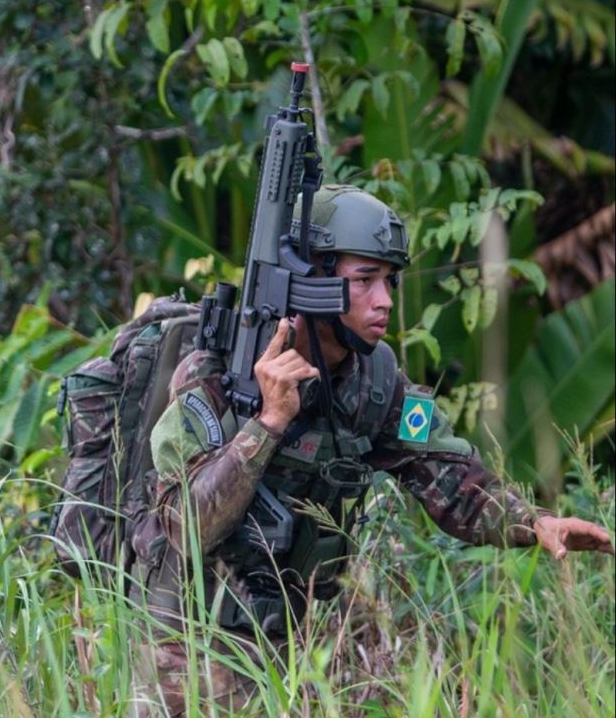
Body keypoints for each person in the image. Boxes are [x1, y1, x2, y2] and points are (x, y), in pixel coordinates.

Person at [133, 185, 614, 716]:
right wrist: (268, 422)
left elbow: (453, 480)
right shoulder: (217, 370)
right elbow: (184, 525)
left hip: (283, 643)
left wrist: (535, 523)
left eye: (389, 280)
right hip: (182, 643)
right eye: (364, 280)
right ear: (312, 284)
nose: (384, 300)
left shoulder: (380, 382)